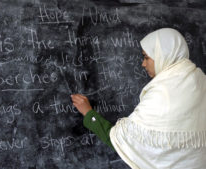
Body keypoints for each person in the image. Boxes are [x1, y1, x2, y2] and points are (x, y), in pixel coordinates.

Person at [71, 28, 206, 169]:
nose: (143, 64)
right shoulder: (201, 81)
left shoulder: (162, 93)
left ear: (163, 55)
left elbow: (124, 140)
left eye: (146, 57)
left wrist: (89, 114)